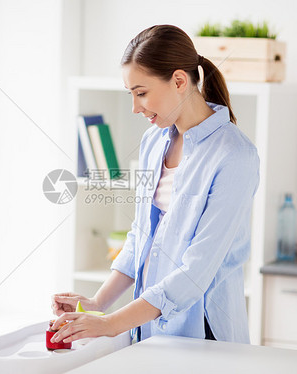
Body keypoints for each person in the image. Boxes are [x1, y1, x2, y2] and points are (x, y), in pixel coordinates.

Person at [51, 25, 259, 344]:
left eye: (142, 92)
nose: (136, 107)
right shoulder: (154, 140)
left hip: (204, 334)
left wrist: (111, 323)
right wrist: (97, 305)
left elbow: (197, 270)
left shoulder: (234, 155)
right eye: (130, 94)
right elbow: (140, 235)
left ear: (178, 81)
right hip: (149, 329)